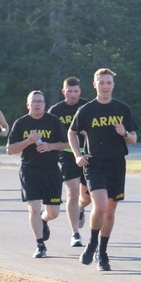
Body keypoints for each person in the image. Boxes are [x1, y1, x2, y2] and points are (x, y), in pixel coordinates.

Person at [68, 68, 138, 272]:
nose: (105, 86)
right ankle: (91, 243)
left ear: (113, 85)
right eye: (101, 82)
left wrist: (124, 132)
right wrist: (78, 155)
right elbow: (72, 133)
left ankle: (102, 252)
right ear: (94, 84)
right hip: (94, 164)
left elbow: (134, 139)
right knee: (99, 205)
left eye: (108, 82)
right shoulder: (87, 110)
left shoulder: (122, 109)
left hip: (116, 164)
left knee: (109, 211)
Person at [6, 91, 69, 258]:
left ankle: (44, 220)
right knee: (34, 208)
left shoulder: (53, 121)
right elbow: (10, 150)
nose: (37, 104)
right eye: (33, 101)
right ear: (28, 105)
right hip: (29, 169)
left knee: (53, 212)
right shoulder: (21, 123)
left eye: (40, 101)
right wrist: (28, 141)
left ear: (44, 104)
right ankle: (40, 245)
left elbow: (67, 143)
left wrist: (50, 146)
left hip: (51, 170)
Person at [48, 77, 92, 247]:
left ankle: (80, 209)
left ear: (80, 91)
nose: (72, 94)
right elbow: (49, 134)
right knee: (72, 193)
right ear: (63, 91)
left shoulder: (87, 107)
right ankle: (75, 234)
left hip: (88, 154)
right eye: (69, 91)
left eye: (76, 91)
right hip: (67, 154)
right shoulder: (55, 110)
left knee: (88, 197)